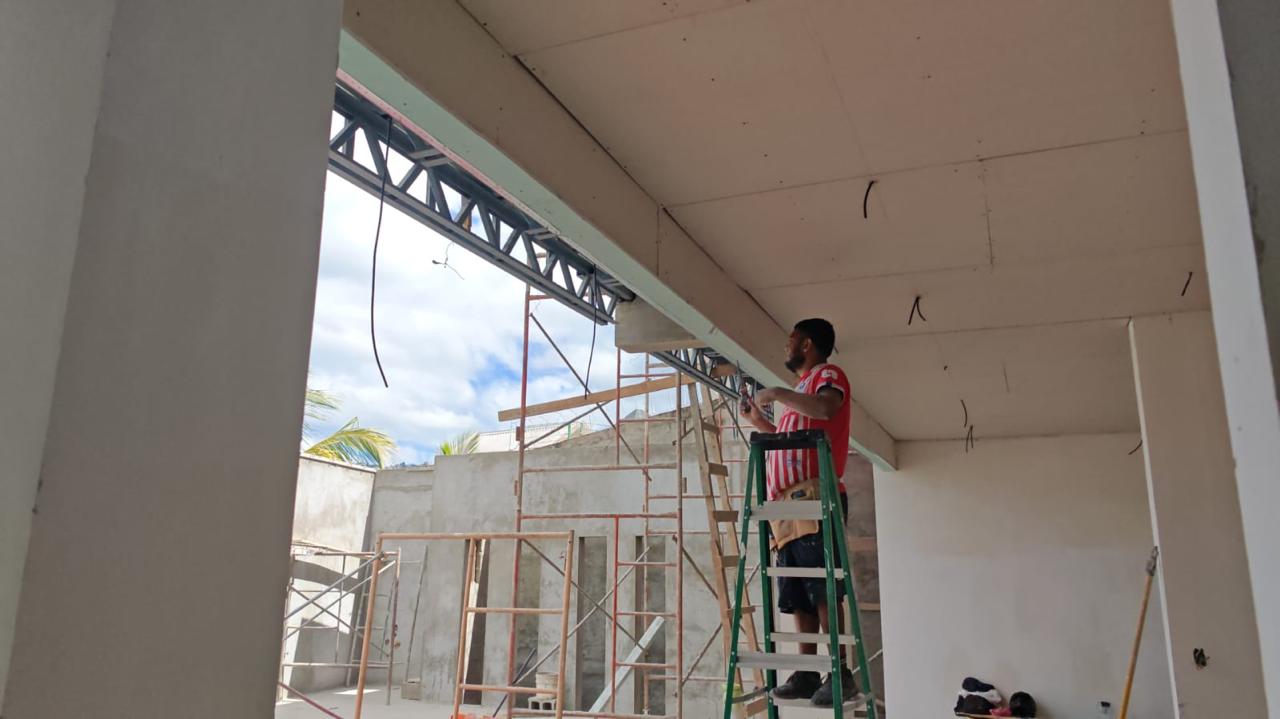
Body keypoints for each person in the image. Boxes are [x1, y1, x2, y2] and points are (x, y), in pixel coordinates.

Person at [740, 317, 859, 707]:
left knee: (821, 587)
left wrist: (775, 393)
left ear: (807, 344)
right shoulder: (798, 397)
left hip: (814, 497)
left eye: (791, 340)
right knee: (797, 591)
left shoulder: (827, 376)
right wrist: (760, 421)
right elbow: (790, 441)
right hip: (788, 505)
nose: (786, 346)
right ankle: (807, 672)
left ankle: (839, 672)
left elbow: (826, 409)